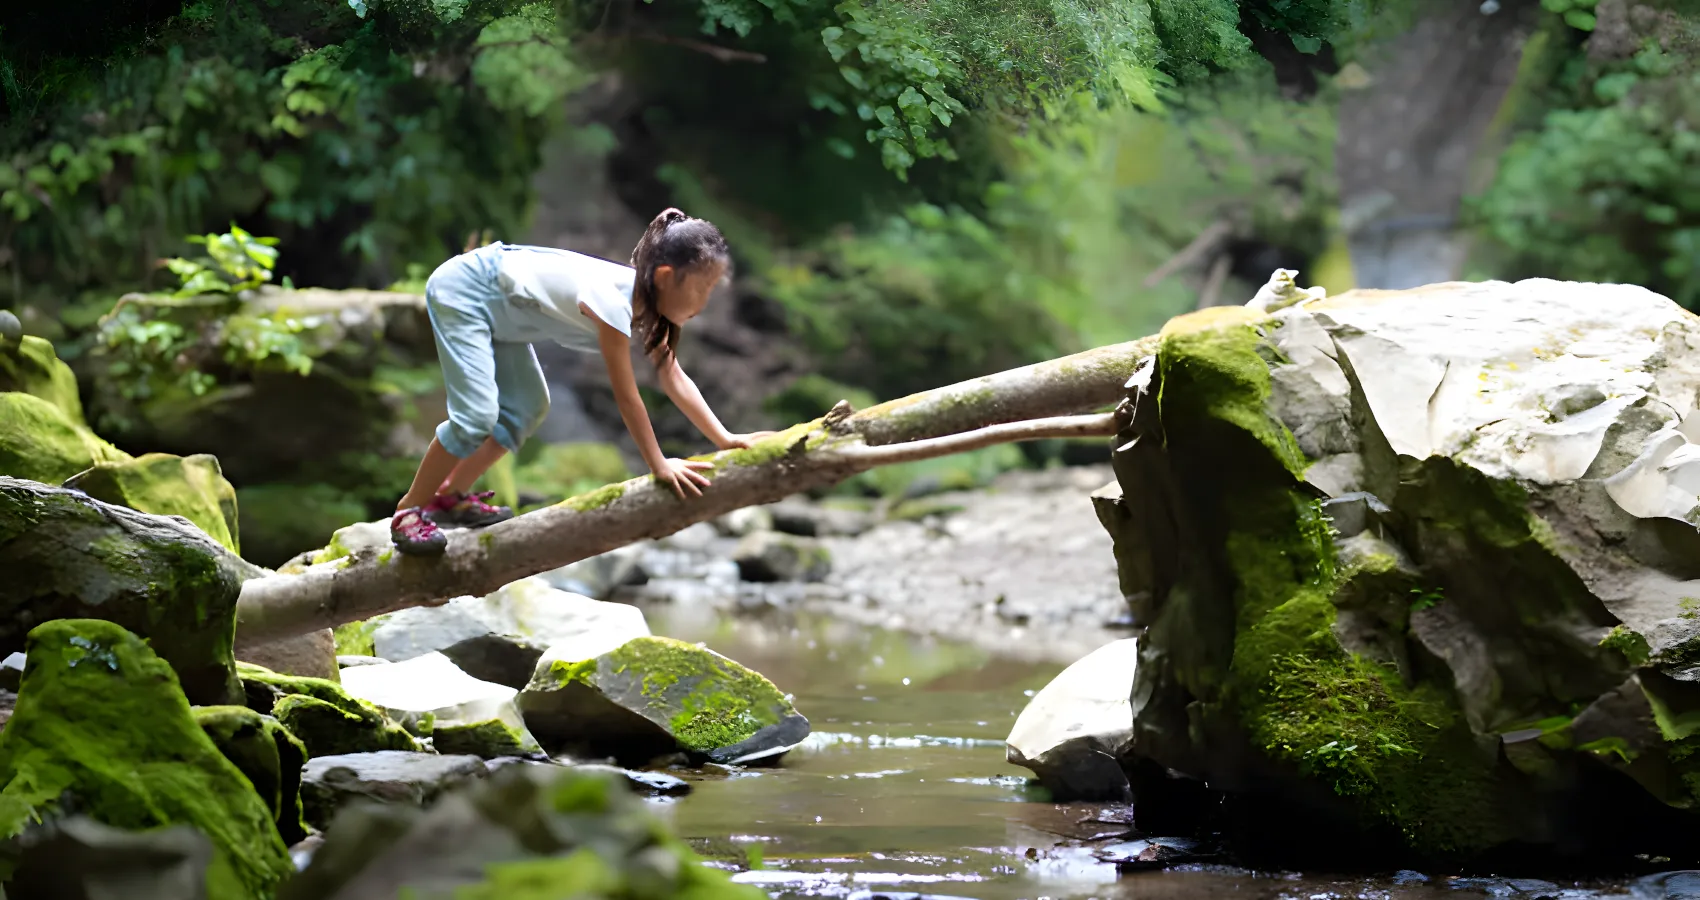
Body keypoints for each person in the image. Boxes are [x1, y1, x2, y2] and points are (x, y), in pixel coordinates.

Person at [389, 208, 773, 555]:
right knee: (475, 417)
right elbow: (627, 396)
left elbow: (673, 376)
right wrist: (659, 464)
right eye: (701, 288)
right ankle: (409, 511)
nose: (703, 303)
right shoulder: (612, 303)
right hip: (468, 289)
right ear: (666, 276)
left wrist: (724, 439)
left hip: (501, 314)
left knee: (527, 407)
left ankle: (452, 496)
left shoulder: (647, 305)